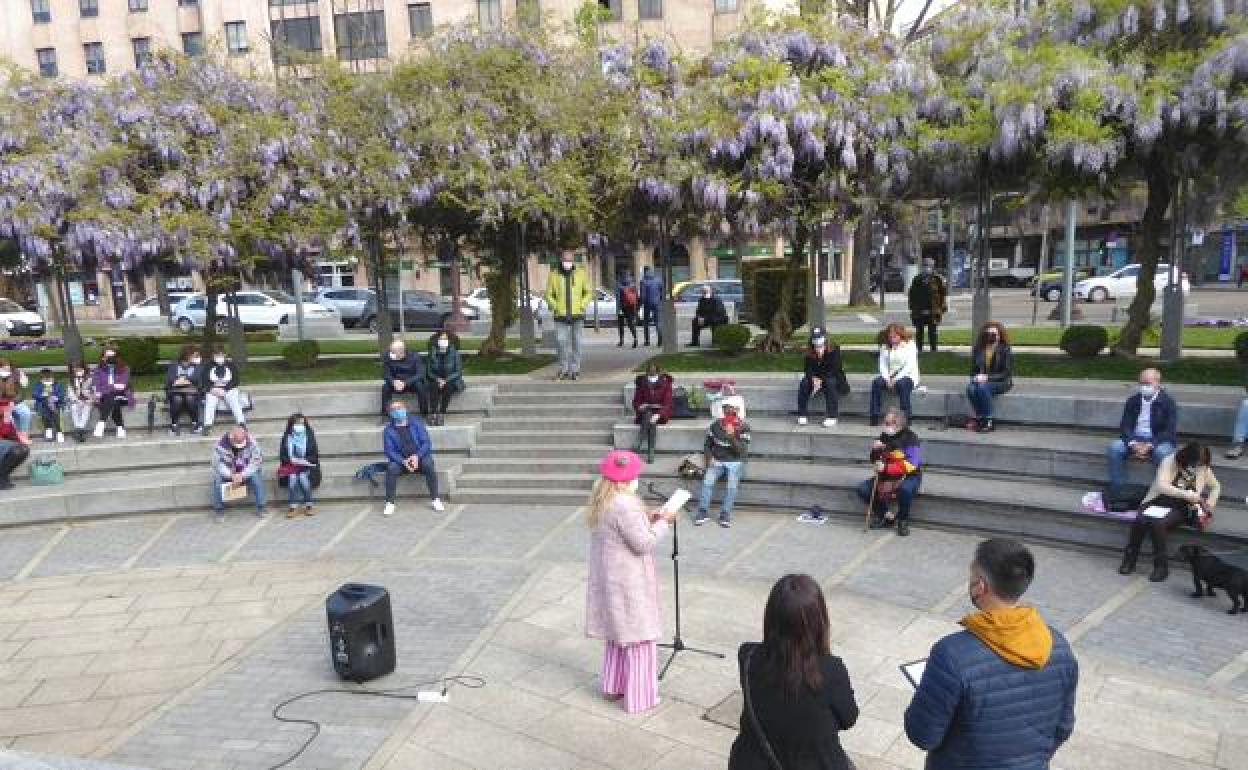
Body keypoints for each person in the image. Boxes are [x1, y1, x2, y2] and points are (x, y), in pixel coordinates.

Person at [905, 539, 1078, 770]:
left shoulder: (950, 654)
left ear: (980, 586)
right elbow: (1063, 727)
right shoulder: (1059, 646)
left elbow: (923, 735)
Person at [728, 574, 859, 770]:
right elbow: (848, 719)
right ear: (819, 621)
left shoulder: (747, 656)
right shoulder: (832, 670)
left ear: (771, 617)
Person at [584, 449, 676, 714]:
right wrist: (664, 522)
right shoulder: (625, 504)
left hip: (611, 577)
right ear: (626, 479)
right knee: (640, 638)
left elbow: (624, 529)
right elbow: (643, 543)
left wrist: (648, 518)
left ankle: (613, 685)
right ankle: (640, 697)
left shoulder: (604, 498)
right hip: (628, 581)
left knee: (617, 635)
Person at [1119, 442, 1221, 582]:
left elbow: (1216, 486)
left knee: (1158, 523)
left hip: (1181, 506)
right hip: (1158, 500)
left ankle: (1161, 566)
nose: (1198, 465)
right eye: (1195, 462)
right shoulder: (1169, 461)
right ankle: (1129, 559)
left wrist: (1210, 504)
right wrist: (1188, 494)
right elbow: (1162, 486)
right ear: (1186, 457)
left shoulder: (1203, 467)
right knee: (1140, 520)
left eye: (1201, 463)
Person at [1106, 368, 1177, 497]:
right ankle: (1119, 491)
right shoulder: (1133, 401)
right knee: (1114, 448)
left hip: (1158, 439)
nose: (1144, 387)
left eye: (1147, 383)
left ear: (1158, 383)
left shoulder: (1168, 402)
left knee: (1162, 453)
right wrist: (1133, 443)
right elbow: (1125, 426)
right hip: (1136, 438)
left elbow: (1168, 431)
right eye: (1141, 383)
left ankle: (1162, 492)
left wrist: (1149, 445)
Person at [856, 409, 922, 537]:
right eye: (885, 422)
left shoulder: (911, 438)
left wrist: (886, 468)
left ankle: (903, 520)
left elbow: (911, 464)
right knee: (863, 489)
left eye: (887, 423)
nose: (884, 425)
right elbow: (874, 460)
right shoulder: (884, 436)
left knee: (905, 489)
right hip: (886, 476)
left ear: (898, 424)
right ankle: (886, 516)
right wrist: (875, 450)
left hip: (909, 475)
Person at [695, 395, 751, 528]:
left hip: (735, 461)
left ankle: (725, 514)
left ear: (737, 410)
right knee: (707, 482)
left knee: (732, 485)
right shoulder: (715, 425)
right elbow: (707, 445)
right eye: (725, 408)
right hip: (717, 460)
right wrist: (709, 458)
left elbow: (741, 451)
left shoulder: (744, 427)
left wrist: (731, 436)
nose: (728, 411)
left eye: (731, 408)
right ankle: (703, 511)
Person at [382, 400, 444, 516]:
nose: (397, 411)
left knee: (428, 464)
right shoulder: (388, 430)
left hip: (419, 458)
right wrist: (403, 461)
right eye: (393, 409)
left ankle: (435, 499)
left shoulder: (417, 424)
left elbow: (426, 443)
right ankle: (390, 503)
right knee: (391, 468)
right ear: (390, 413)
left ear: (405, 409)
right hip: (402, 462)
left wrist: (417, 456)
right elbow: (389, 451)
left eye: (399, 408)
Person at [544, 255, 593, 380]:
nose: (567, 262)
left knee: (577, 343)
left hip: (577, 314)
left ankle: (575, 370)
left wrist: (582, 305)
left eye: (570, 260)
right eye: (565, 260)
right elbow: (548, 294)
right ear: (561, 260)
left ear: (573, 261)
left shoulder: (580, 273)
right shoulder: (554, 274)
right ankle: (563, 369)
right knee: (561, 342)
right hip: (560, 315)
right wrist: (555, 306)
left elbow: (588, 292)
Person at [965, 321, 1013, 433]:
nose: (991, 336)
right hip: (982, 381)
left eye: (994, 334)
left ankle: (989, 421)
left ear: (999, 335)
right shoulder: (979, 349)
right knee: (971, 389)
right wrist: (975, 377)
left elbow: (1006, 373)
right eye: (988, 333)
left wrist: (987, 378)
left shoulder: (1005, 349)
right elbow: (974, 370)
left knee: (982, 388)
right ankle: (980, 417)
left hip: (1001, 381)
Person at [869, 323, 920, 425]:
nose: (892, 338)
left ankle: (906, 416)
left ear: (901, 335)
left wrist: (895, 379)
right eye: (890, 336)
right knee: (876, 383)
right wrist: (887, 378)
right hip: (890, 375)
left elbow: (909, 365)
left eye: (895, 336)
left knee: (902, 384)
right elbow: (882, 364)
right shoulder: (885, 346)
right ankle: (874, 415)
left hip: (907, 375)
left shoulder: (910, 345)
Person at [211, 425, 265, 519]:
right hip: (228, 472)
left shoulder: (252, 443)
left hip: (246, 471)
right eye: (237, 442)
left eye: (242, 442)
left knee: (256, 479)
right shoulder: (220, 445)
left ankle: (261, 508)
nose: (240, 445)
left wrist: (242, 475)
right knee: (218, 480)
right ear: (231, 437)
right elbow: (217, 464)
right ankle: (219, 510)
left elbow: (255, 462)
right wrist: (231, 475)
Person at [797, 327, 845, 428]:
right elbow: (807, 368)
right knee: (804, 383)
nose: (817, 341)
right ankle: (802, 414)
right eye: (815, 338)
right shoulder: (810, 350)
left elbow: (834, 368)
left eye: (819, 338)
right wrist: (813, 378)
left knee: (830, 382)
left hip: (832, 376)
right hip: (816, 378)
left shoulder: (834, 349)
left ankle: (832, 416)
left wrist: (820, 379)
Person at [279, 413, 321, 518]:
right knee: (292, 480)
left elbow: (315, 456)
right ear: (292, 424)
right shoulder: (287, 437)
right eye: (297, 423)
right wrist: (291, 460)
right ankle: (293, 507)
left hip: (307, 466)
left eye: (302, 423)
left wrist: (304, 460)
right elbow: (282, 456)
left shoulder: (310, 436)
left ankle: (309, 505)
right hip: (291, 466)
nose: (300, 426)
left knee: (303, 479)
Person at [632, 362, 673, 464]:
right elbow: (636, 401)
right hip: (645, 412)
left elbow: (667, 403)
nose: (652, 372)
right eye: (649, 371)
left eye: (654, 371)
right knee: (649, 417)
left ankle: (639, 443)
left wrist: (658, 414)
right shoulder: (642, 382)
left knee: (651, 418)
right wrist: (640, 407)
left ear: (658, 372)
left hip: (661, 413)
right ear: (647, 372)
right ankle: (651, 451)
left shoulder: (666, 383)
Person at [381, 338, 429, 420]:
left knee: (420, 386)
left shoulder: (414, 356)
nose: (391, 353)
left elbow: (420, 374)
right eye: (391, 351)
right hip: (396, 383)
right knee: (385, 387)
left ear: (401, 352)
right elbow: (386, 374)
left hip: (411, 383)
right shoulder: (388, 357)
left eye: (393, 352)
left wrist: (405, 383)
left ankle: (424, 414)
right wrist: (393, 382)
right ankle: (385, 414)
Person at [91, 346, 132, 439]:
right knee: (113, 400)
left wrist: (106, 387)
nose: (110, 359)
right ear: (103, 357)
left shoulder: (125, 368)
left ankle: (101, 423)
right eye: (107, 356)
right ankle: (120, 427)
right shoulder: (98, 369)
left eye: (112, 356)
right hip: (105, 397)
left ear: (117, 357)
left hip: (122, 395)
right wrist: (113, 386)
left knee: (112, 398)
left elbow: (122, 386)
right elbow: (96, 385)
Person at [425, 331, 464, 427]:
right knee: (433, 387)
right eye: (441, 339)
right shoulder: (432, 353)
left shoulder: (455, 354)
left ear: (449, 341)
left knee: (448, 387)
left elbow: (458, 372)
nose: (443, 341)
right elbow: (429, 372)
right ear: (437, 341)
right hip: (436, 379)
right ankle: (433, 413)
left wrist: (445, 380)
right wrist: (438, 379)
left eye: (445, 339)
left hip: (451, 380)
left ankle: (442, 413)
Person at [908, 257, 947, 353]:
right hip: (919, 309)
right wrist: (912, 307)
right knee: (919, 330)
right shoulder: (917, 279)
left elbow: (943, 294)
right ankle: (919, 349)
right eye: (925, 265)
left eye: (929, 265)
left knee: (932, 331)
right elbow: (912, 294)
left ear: (933, 267)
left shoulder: (938, 279)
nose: (927, 267)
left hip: (933, 309)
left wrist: (942, 307)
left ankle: (933, 350)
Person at [201, 347, 245, 430]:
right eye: (217, 355)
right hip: (213, 390)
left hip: (229, 389)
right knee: (210, 401)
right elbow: (204, 381)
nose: (219, 357)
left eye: (221, 355)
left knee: (234, 401)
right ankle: (207, 425)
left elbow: (235, 380)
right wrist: (211, 389)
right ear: (213, 356)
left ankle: (241, 423)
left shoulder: (231, 365)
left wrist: (225, 389)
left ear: (225, 355)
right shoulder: (208, 366)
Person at [165, 345, 204, 436]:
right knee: (177, 399)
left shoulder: (198, 366)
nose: (197, 358)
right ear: (187, 355)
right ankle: (174, 424)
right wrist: (177, 381)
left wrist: (185, 379)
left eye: (197, 356)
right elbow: (169, 380)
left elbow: (199, 380)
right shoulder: (174, 365)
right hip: (176, 391)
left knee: (189, 398)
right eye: (195, 355)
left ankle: (195, 423)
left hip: (192, 391)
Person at [0, 400, 31, 490]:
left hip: (3, 443)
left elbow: (8, 432)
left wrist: (6, 417)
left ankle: (3, 475)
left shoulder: (6, 414)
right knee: (17, 449)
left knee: (23, 450)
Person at [31, 368, 66, 443]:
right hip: (42, 404)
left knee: (56, 415)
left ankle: (59, 432)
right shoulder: (39, 385)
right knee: (45, 415)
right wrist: (43, 396)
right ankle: (48, 429)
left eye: (49, 378)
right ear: (41, 379)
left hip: (56, 404)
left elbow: (61, 394)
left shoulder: (57, 385)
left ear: (52, 377)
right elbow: (34, 394)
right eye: (44, 379)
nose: (47, 380)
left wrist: (56, 398)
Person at [0, 359, 32, 442]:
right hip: (2, 404)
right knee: (8, 417)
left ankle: (23, 435)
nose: (6, 367)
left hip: (16, 401)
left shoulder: (16, 373)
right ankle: (13, 436)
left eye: (8, 365)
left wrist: (22, 376)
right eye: (3, 366)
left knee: (26, 413)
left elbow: (25, 385)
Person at [66, 360, 95, 443]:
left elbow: (94, 391)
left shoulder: (90, 379)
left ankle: (80, 429)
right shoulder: (72, 380)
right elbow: (70, 392)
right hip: (76, 400)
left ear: (84, 369)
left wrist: (90, 399)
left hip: (88, 400)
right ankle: (79, 429)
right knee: (74, 408)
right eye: (76, 371)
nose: (78, 372)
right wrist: (77, 400)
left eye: (80, 370)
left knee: (86, 409)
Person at [639, 266, 664, 347]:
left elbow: (643, 295)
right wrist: (660, 301)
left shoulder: (643, 281)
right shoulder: (658, 280)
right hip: (657, 303)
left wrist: (641, 304)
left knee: (646, 322)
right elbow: (662, 292)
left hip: (647, 304)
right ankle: (660, 340)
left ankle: (647, 341)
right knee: (658, 322)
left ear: (644, 272)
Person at [616, 272, 640, 348]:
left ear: (621, 276)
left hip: (623, 307)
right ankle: (635, 339)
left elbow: (618, 298)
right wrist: (636, 308)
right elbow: (637, 297)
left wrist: (618, 309)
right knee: (631, 324)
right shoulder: (633, 285)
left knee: (621, 325)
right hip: (631, 307)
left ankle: (621, 341)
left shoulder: (619, 285)